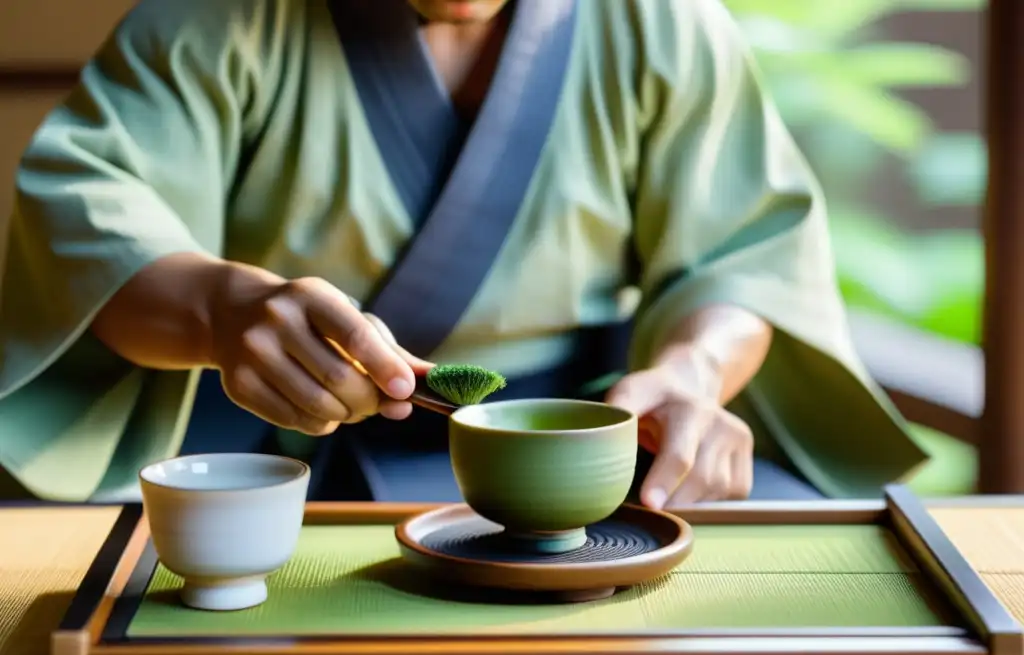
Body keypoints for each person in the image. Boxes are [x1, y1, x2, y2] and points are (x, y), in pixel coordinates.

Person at [0, 0, 928, 507]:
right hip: (271, 444)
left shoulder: (661, 22)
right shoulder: (215, 18)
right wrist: (223, 310)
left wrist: (693, 372)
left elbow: (745, 250)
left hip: (581, 449)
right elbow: (95, 218)